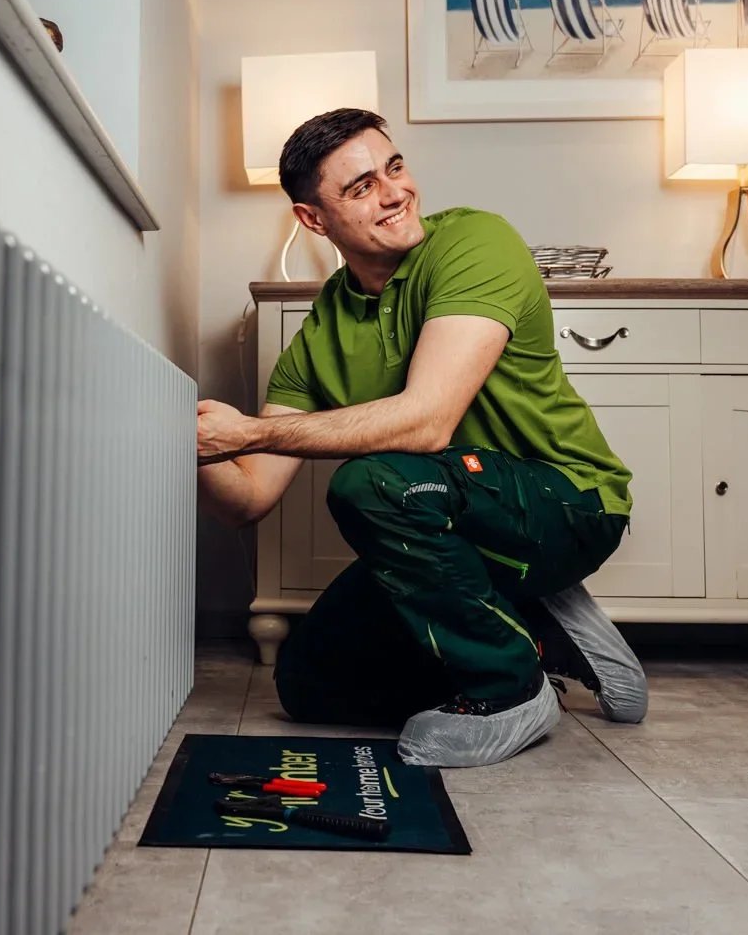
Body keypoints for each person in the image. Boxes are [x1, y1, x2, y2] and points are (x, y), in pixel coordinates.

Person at [196, 108, 647, 769]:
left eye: (395, 166)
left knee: (372, 480)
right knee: (306, 680)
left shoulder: (474, 242)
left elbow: (426, 419)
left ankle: (509, 688)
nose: (395, 191)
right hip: (449, 518)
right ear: (313, 219)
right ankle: (533, 636)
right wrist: (189, 439)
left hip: (569, 505)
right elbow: (249, 497)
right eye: (360, 186)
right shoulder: (323, 332)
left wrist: (252, 429)